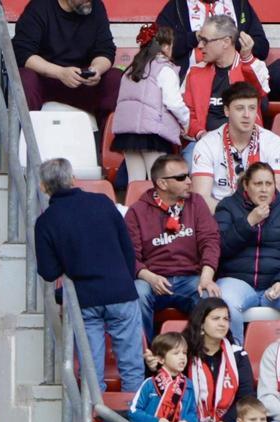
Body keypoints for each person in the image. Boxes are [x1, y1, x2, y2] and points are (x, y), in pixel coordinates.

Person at [35, 157, 145, 393]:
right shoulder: (103, 202)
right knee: (132, 367)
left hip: (84, 297)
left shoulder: (46, 221)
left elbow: (48, 271)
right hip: (121, 290)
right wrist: (125, 280)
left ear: (43, 187)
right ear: (73, 179)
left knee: (91, 372)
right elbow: (128, 248)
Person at [126, 153, 222, 340]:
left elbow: (210, 240)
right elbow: (129, 255)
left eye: (188, 176)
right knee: (138, 294)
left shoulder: (196, 203)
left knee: (210, 297)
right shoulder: (137, 212)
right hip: (152, 279)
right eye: (181, 178)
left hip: (190, 278)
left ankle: (201, 360)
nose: (189, 181)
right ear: (162, 183)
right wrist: (149, 277)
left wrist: (207, 275)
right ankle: (145, 359)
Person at [10, 0, 119, 128]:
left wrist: (96, 70)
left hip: (83, 81)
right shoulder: (39, 7)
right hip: (46, 80)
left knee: (115, 78)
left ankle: (107, 143)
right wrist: (60, 73)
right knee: (25, 79)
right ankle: (26, 141)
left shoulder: (96, 6)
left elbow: (106, 50)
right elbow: (23, 53)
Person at [178, 298, 255, 422]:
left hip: (230, 420)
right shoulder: (184, 353)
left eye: (226, 319)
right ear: (201, 323)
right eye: (216, 318)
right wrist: (154, 366)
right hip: (194, 420)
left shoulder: (238, 355)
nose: (222, 324)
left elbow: (247, 397)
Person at [111, 24, 189, 182]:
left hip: (127, 134)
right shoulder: (165, 70)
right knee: (157, 181)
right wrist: (186, 121)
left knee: (135, 181)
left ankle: (132, 206)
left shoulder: (130, 70)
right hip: (152, 134)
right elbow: (173, 102)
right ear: (166, 47)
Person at [215, 162, 280, 342]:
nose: (264, 190)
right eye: (258, 184)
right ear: (246, 185)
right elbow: (219, 248)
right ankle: (236, 359)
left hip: (274, 285)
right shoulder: (228, 206)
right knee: (226, 304)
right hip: (237, 282)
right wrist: (249, 222)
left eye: (269, 184)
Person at [180, 16, 269, 146]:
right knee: (187, 162)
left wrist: (247, 60)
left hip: (245, 144)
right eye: (200, 40)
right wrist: (201, 134)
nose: (199, 46)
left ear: (226, 42)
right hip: (203, 143)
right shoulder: (194, 72)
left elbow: (261, 94)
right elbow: (186, 113)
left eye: (205, 41)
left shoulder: (253, 66)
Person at [192, 82, 280, 211]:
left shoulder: (273, 143)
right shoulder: (207, 144)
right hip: (221, 215)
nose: (247, 115)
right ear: (226, 111)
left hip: (264, 216)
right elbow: (202, 197)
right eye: (240, 108)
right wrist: (237, 216)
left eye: (251, 108)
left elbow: (276, 192)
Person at [156, 0, 269, 79]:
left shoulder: (239, 3)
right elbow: (157, 47)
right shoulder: (177, 5)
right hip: (189, 78)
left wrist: (229, 38)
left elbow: (262, 48)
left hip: (236, 79)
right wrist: (195, 37)